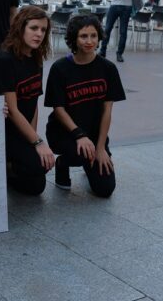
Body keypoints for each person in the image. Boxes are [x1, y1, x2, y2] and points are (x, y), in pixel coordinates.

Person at [45, 15, 125, 198]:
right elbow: (58, 109)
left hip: (95, 135)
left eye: (93, 36)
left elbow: (107, 111)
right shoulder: (60, 68)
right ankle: (63, 164)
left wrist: (101, 147)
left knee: (105, 189)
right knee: (80, 153)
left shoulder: (108, 68)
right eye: (83, 36)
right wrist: (79, 135)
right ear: (74, 38)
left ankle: (89, 161)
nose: (89, 41)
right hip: (65, 133)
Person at [0, 6, 54, 195]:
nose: (39, 34)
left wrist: (31, 138)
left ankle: (11, 169)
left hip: (22, 131)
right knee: (38, 165)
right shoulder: (4, 60)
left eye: (43, 30)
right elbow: (13, 109)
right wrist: (37, 143)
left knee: (36, 186)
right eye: (34, 28)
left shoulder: (36, 59)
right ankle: (5, 163)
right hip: (2, 132)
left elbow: (33, 102)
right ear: (20, 28)